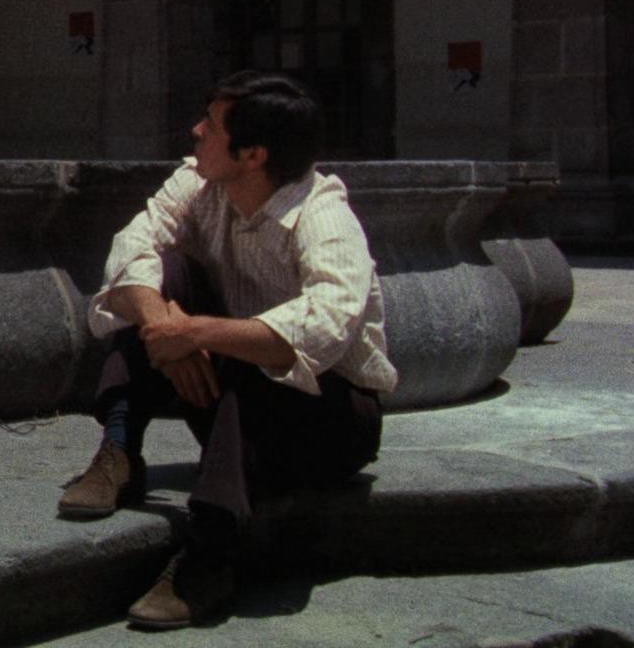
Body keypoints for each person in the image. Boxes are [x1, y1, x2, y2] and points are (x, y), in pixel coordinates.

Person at [61, 70, 397, 629]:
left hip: (329, 423)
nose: (196, 131)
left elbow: (323, 327)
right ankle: (119, 448)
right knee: (157, 277)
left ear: (253, 154)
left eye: (211, 126)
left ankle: (212, 553)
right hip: (228, 394)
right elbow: (131, 247)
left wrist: (195, 334)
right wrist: (166, 327)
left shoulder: (324, 217)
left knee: (252, 359)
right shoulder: (199, 184)